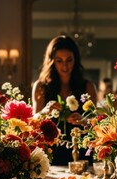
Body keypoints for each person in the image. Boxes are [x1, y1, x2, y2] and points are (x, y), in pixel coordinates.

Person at [32, 35, 97, 166]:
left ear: (76, 60)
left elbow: (97, 125)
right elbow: (33, 123)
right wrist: (45, 111)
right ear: (52, 61)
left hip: (81, 154)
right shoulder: (41, 87)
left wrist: (84, 121)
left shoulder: (88, 86)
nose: (65, 66)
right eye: (59, 61)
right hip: (51, 154)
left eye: (69, 60)